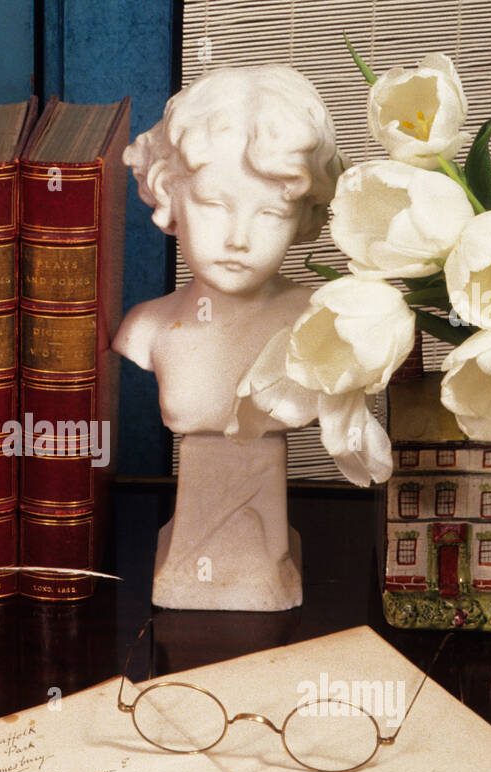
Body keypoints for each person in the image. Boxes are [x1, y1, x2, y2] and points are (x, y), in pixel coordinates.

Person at [113, 65, 343, 611]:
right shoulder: (144, 330)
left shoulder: (321, 327)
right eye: (214, 205)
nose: (239, 239)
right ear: (170, 195)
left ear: (304, 216)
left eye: (269, 212)